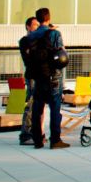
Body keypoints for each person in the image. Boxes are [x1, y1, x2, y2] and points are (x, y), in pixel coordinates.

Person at [25, 8, 69, 150]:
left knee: (38, 109)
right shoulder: (55, 34)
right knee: (55, 109)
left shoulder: (31, 36)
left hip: (38, 77)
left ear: (37, 20)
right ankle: (55, 140)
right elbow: (62, 55)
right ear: (49, 18)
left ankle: (37, 140)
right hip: (53, 77)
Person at [18, 16, 40, 146]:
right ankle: (25, 134)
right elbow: (30, 57)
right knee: (31, 104)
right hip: (32, 76)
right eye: (35, 25)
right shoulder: (25, 41)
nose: (37, 28)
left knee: (37, 105)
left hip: (39, 76)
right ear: (28, 27)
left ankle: (34, 132)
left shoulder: (37, 40)